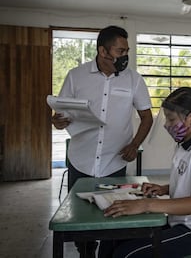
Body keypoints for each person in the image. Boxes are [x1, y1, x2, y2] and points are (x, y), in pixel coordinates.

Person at [51, 25, 153, 257]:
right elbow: (62, 114)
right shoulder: (76, 76)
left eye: (127, 51)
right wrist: (57, 121)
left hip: (114, 163)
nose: (125, 56)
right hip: (81, 161)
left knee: (114, 214)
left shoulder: (134, 80)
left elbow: (147, 117)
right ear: (103, 51)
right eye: (120, 51)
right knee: (82, 217)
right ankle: (86, 251)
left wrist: (134, 145)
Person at [98, 87, 191, 258]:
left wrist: (145, 205)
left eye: (171, 119)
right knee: (113, 238)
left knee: (126, 254)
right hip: (178, 222)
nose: (166, 125)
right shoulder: (184, 145)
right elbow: (190, 182)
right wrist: (164, 189)